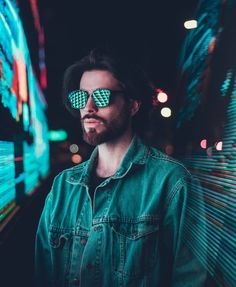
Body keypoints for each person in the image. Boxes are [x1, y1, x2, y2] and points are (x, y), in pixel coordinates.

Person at [35, 47, 207, 286]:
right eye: (81, 97)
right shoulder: (63, 186)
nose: (89, 106)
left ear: (133, 105)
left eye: (102, 96)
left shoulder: (173, 182)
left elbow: (191, 279)